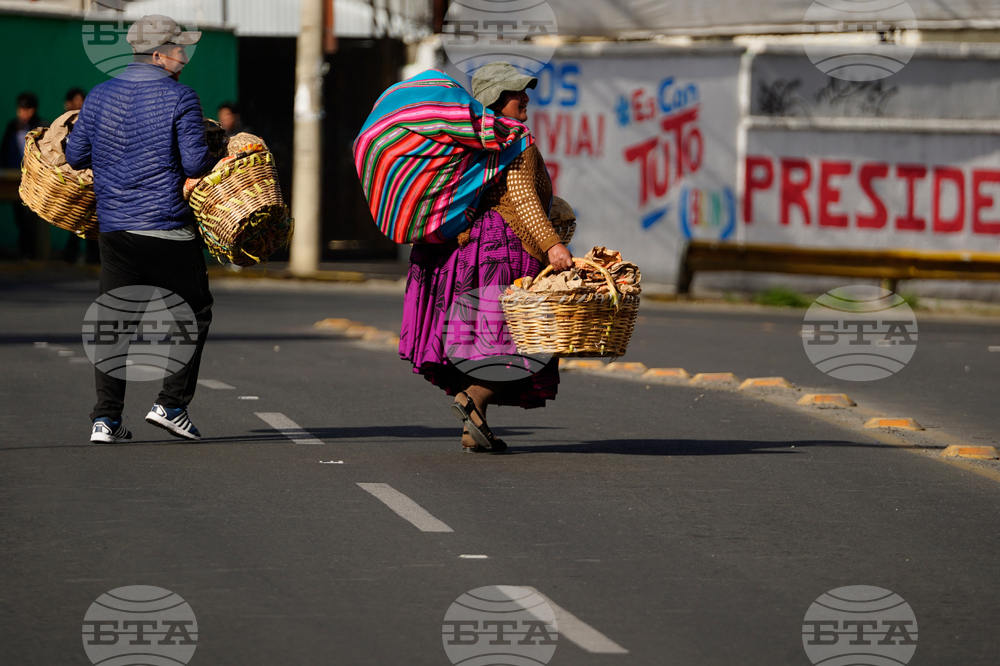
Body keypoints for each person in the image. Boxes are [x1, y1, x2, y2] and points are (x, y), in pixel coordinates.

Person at [399, 62, 573, 453]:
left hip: (464, 252)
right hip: (503, 252)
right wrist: (553, 245)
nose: (525, 98)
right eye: (516, 92)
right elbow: (522, 199)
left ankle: (473, 425)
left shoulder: (471, 139)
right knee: (524, 339)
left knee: (480, 341)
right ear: (495, 98)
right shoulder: (513, 138)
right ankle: (473, 397)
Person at [67, 14, 216, 444]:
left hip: (116, 229)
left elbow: (76, 156)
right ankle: (172, 405)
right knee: (194, 311)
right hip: (166, 226)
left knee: (114, 321)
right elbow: (195, 163)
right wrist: (216, 150)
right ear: (157, 55)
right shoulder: (181, 97)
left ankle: (105, 419)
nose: (184, 56)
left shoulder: (99, 95)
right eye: (179, 49)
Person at [1, 92, 45, 259]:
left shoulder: (41, 127)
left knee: (31, 216)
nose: (24, 113)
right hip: (14, 179)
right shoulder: (13, 126)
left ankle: (32, 252)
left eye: (28, 109)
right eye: (21, 109)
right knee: (20, 216)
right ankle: (24, 251)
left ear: (34, 109)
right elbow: (5, 150)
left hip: (34, 179)